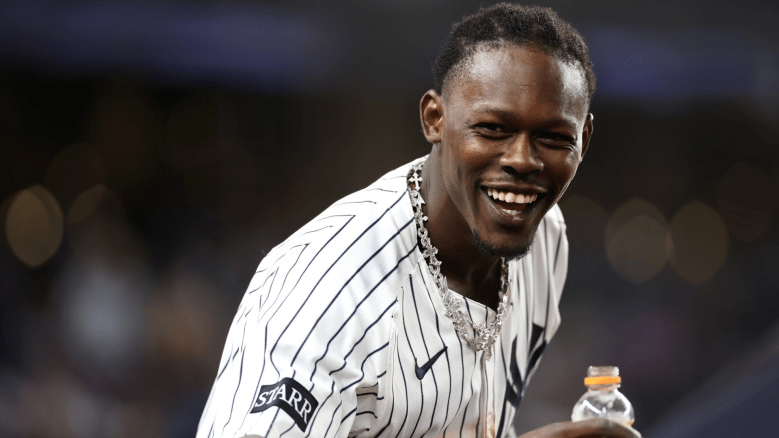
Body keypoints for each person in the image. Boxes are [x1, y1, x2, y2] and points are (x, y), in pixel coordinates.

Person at [197, 3, 641, 438]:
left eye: (553, 138)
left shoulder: (547, 239)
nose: (523, 160)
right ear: (435, 119)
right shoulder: (327, 285)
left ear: (583, 139)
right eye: (491, 129)